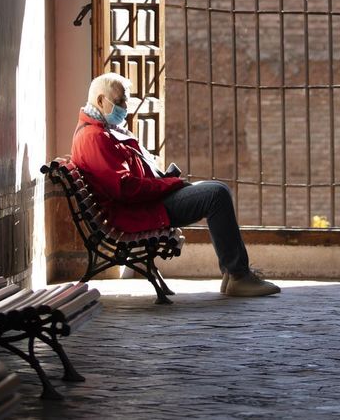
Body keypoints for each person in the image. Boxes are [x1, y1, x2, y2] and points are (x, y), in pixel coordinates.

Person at [70, 72, 280, 298]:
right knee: (216, 194)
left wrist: (166, 182)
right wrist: (169, 185)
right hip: (137, 212)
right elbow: (124, 189)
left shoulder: (100, 131)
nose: (125, 107)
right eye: (120, 101)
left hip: (143, 204)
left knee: (214, 191)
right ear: (101, 101)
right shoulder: (95, 137)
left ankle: (234, 272)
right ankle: (238, 276)